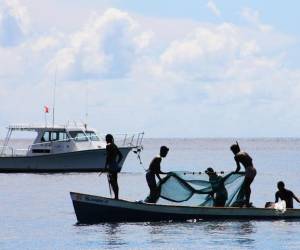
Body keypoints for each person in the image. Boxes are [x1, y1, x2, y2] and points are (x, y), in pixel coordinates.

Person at [230, 142, 256, 207]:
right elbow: (250, 160)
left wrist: (234, 172)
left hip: (249, 170)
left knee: (245, 186)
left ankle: (247, 202)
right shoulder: (244, 152)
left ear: (234, 150)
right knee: (247, 186)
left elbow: (238, 168)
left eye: (232, 151)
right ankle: (247, 201)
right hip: (253, 170)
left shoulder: (236, 156)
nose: (232, 152)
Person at [104, 134, 123, 199]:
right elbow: (121, 156)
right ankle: (116, 197)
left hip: (111, 167)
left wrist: (105, 166)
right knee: (115, 182)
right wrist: (117, 163)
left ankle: (116, 198)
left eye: (106, 139)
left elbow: (108, 157)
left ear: (108, 139)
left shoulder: (108, 146)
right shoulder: (115, 145)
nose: (105, 140)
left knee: (112, 182)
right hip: (115, 166)